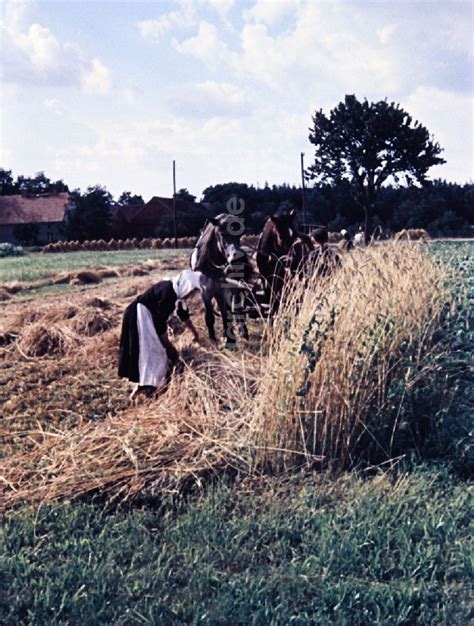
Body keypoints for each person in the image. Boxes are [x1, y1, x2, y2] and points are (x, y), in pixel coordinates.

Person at [118, 269, 201, 400]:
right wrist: (168, 345)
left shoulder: (177, 294)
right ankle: (158, 389)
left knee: (150, 352)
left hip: (145, 315)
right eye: (191, 292)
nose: (190, 296)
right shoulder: (169, 292)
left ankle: (144, 385)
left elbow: (183, 315)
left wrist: (195, 333)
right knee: (156, 352)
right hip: (140, 315)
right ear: (186, 285)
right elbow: (159, 321)